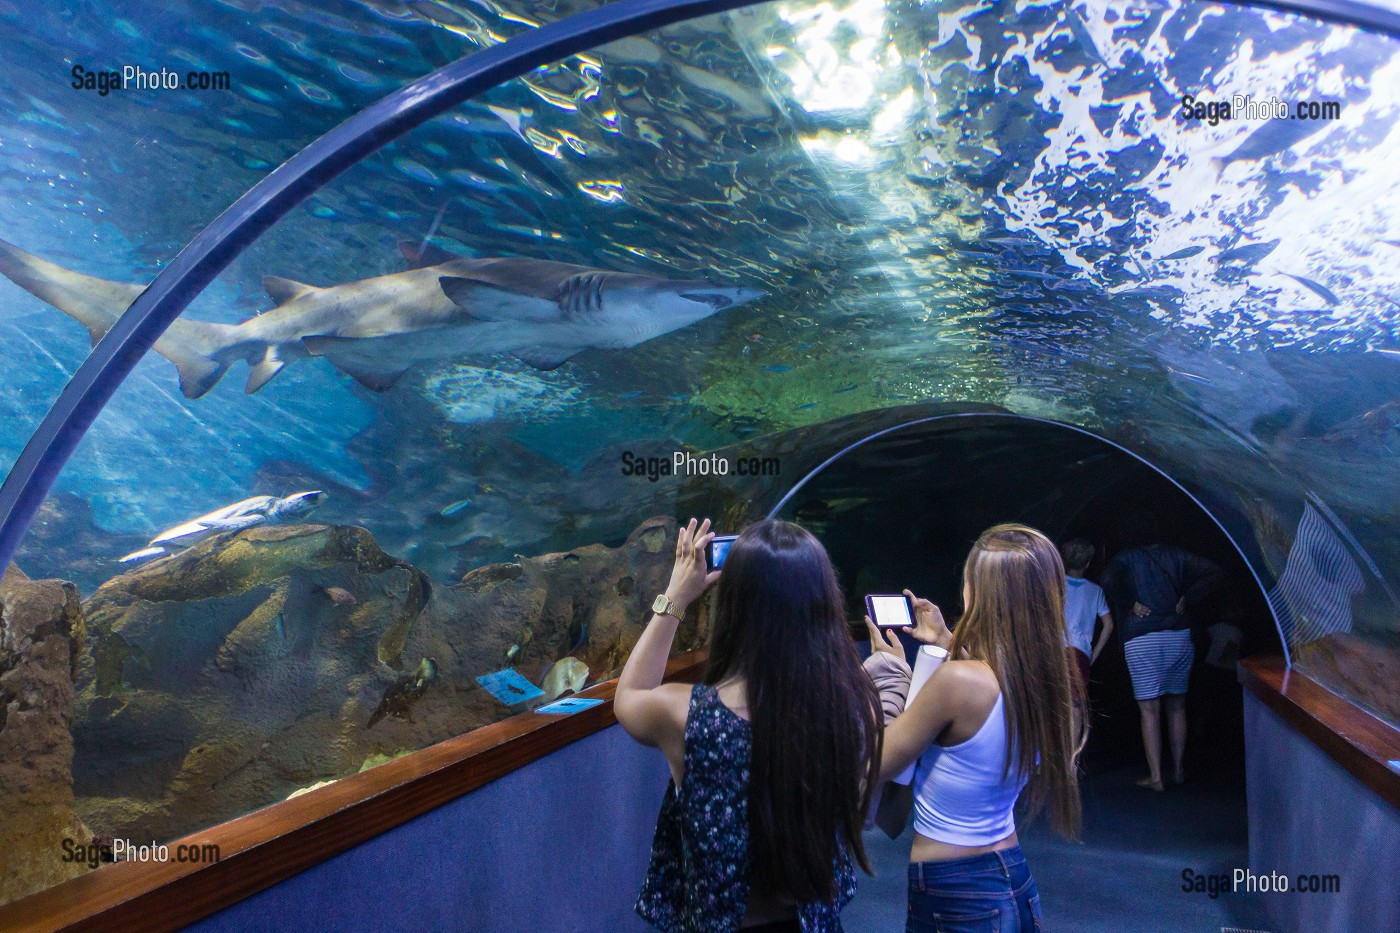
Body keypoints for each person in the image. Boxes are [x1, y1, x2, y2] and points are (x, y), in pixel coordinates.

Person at [615, 518, 882, 932]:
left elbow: (628, 696)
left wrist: (675, 597)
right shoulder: (852, 708)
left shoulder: (687, 716)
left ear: (734, 607)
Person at [865, 524, 1082, 933]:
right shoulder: (1048, 683)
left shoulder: (958, 683)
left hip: (955, 889)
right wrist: (947, 640)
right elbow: (995, 682)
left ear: (979, 592)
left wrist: (890, 672)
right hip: (1013, 874)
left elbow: (877, 761)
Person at [1100, 544, 1222, 791]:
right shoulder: (1178, 553)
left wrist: (1128, 602)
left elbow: (1107, 579)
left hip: (1141, 635)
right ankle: (1177, 771)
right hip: (1178, 633)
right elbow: (1214, 571)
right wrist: (1189, 596)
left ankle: (1156, 777)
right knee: (1177, 706)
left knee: (1149, 710)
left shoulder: (1126, 555)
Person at [1059, 539, 1114, 737]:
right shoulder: (1095, 591)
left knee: (1053, 703)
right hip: (1080, 652)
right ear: (1088, 564)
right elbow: (1108, 624)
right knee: (1076, 706)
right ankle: (1072, 760)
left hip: (1055, 651)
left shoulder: (1055, 586)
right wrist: (1094, 655)